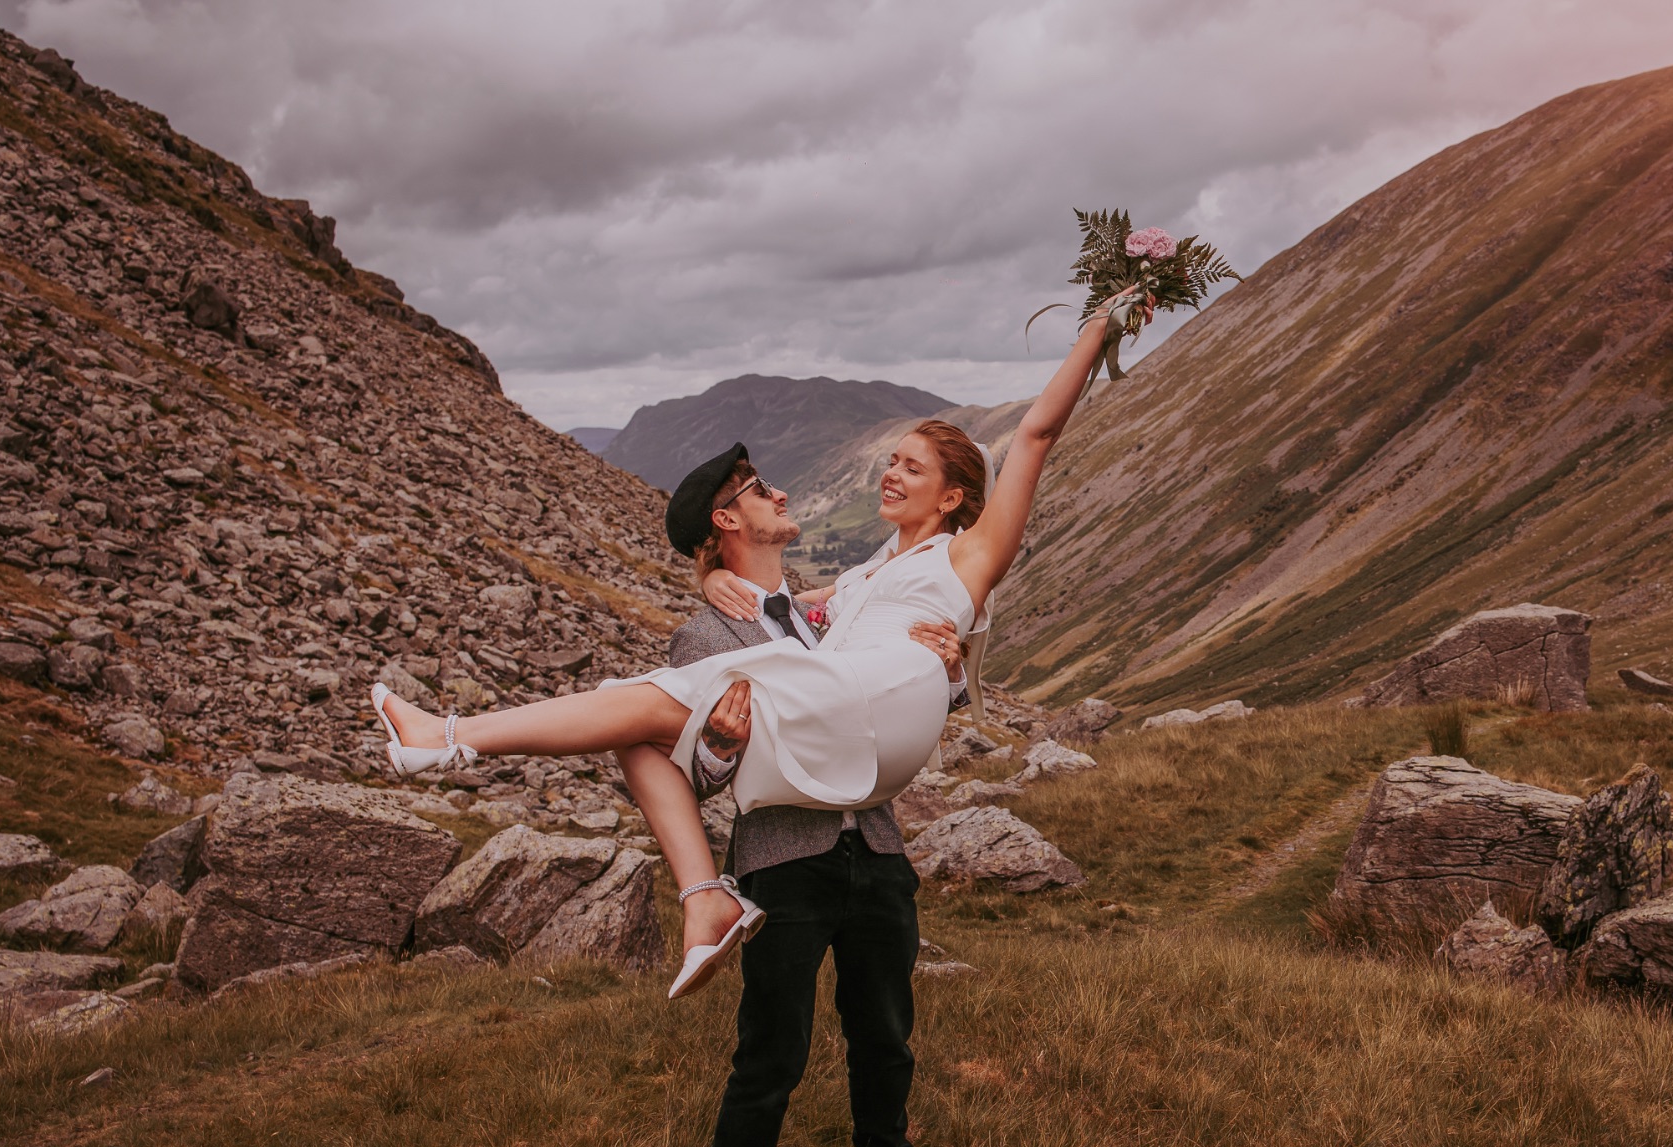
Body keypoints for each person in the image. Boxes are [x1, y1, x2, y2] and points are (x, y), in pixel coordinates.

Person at [367, 286, 1142, 998]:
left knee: (635, 703)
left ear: (953, 496)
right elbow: (792, 607)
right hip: (851, 734)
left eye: (912, 467)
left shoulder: (970, 553)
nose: (891, 473)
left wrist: (1099, 328)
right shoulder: (869, 573)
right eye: (892, 459)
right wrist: (711, 575)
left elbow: (1036, 434)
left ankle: (451, 737)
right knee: (631, 728)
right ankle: (705, 900)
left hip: (879, 717)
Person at [639, 447, 962, 1147]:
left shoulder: (836, 610)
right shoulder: (702, 634)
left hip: (877, 847)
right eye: (758, 489)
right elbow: (688, 772)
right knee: (773, 1047)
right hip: (784, 860)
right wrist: (718, 745)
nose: (779, 492)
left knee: (885, 1034)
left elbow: (900, 694)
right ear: (726, 519)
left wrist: (950, 672)